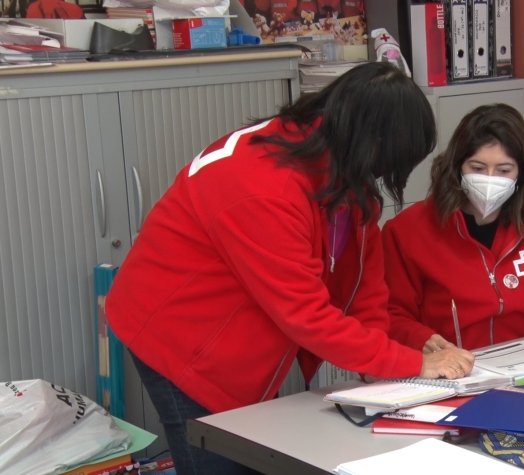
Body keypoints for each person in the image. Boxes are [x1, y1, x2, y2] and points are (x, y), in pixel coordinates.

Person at [105, 62, 475, 475]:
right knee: (219, 456)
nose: (384, 176)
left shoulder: (339, 165)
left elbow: (363, 287)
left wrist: (380, 362)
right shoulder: (265, 188)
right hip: (179, 335)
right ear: (371, 141)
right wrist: (411, 364)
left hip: (239, 329)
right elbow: (306, 316)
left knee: (253, 453)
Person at [382, 103, 524, 357]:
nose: (489, 179)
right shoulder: (408, 231)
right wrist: (421, 340)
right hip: (448, 366)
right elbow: (390, 314)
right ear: (457, 167)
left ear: (522, 173)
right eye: (477, 168)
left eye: (504, 170)